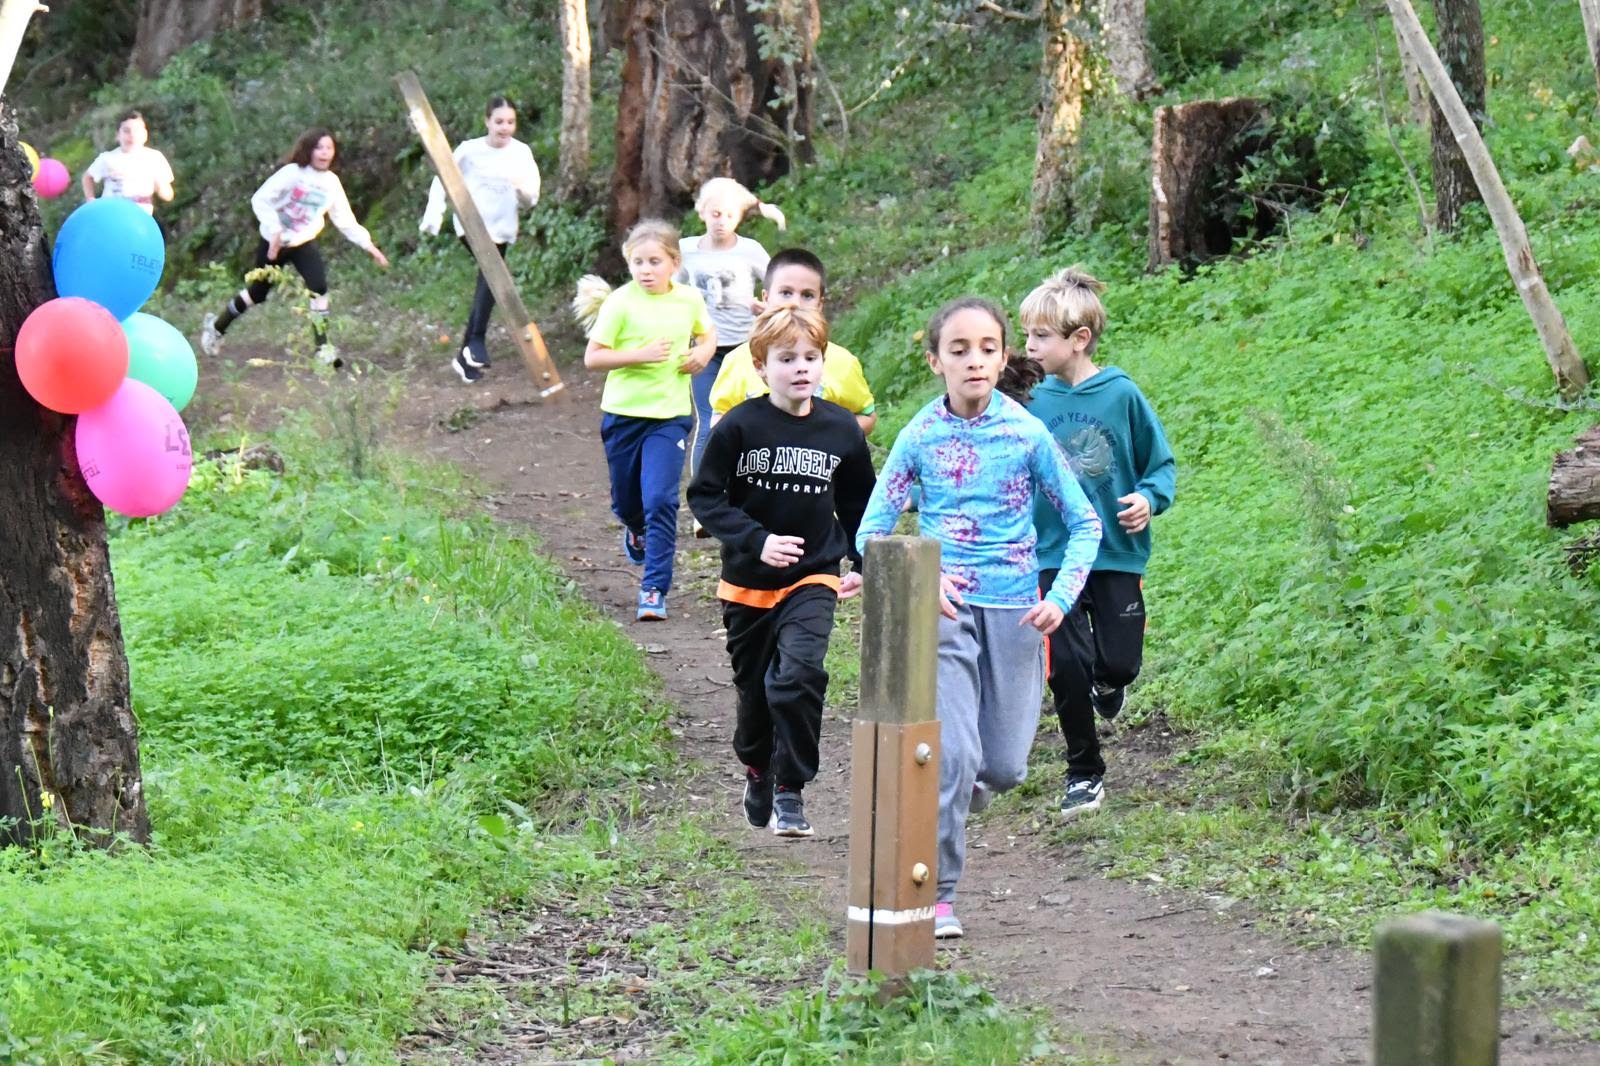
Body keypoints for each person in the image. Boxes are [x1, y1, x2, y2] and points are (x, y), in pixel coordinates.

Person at [856, 296, 1101, 941]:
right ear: (936, 360)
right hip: (946, 608)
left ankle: (927, 816)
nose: (975, 361)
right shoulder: (918, 436)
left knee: (1003, 768)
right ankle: (938, 894)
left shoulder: (1026, 433)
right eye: (959, 350)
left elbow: (1085, 522)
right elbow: (872, 531)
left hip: (1018, 612)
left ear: (1002, 356)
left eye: (988, 348)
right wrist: (924, 577)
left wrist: (1061, 596)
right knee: (957, 755)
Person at [688, 306, 875, 838]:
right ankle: (757, 768)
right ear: (760, 365)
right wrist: (758, 540)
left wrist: (861, 563)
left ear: (823, 363)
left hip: (814, 576)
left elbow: (863, 505)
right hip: (746, 582)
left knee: (797, 676)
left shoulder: (841, 430)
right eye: (786, 358)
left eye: (811, 358)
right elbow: (704, 496)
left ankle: (792, 789)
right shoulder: (740, 426)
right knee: (754, 694)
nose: (800, 368)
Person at [1020, 266, 1176, 818]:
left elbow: (1161, 466)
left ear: (1078, 339)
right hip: (1051, 553)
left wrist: (1148, 499)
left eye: (1040, 337)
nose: (1030, 346)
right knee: (1065, 663)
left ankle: (1110, 685)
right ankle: (1084, 770)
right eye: (1027, 336)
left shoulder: (1121, 394)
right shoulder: (1028, 399)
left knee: (1120, 663)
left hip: (1115, 552)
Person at [573, 219, 715, 621]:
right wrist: (640, 354)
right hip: (622, 416)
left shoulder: (688, 300)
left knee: (661, 500)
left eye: (654, 261)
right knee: (627, 501)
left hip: (668, 418)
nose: (646, 270)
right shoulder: (620, 303)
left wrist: (703, 354)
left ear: (674, 262)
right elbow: (593, 357)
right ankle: (634, 528)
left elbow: (708, 334)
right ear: (628, 263)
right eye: (638, 262)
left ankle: (653, 589)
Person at [200, 127, 390, 366]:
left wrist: (369, 246)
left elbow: (344, 219)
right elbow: (260, 199)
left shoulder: (331, 183)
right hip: (274, 243)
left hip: (303, 242)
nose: (324, 153)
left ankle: (323, 349)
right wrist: (275, 229)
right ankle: (217, 327)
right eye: (319, 147)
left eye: (329, 148)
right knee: (257, 293)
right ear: (309, 150)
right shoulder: (293, 173)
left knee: (318, 287)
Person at [419, 94, 542, 384]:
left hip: (502, 229)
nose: (504, 128)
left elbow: (531, 199)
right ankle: (476, 342)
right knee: (492, 276)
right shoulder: (470, 151)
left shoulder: (521, 153)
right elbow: (442, 178)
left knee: (489, 281)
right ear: (487, 121)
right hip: (472, 226)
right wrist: (434, 215)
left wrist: (520, 188)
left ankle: (466, 355)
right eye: (499, 121)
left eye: (510, 122)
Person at [676, 177, 786, 473]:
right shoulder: (686, 250)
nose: (722, 222)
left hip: (747, 348)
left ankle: (747, 485)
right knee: (709, 418)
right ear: (701, 212)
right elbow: (672, 294)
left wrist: (769, 307)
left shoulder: (750, 250)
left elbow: (779, 284)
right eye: (715, 214)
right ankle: (703, 498)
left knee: (751, 417)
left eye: (729, 215)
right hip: (705, 350)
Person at [707, 249, 877, 437]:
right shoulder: (738, 361)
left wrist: (829, 438)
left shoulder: (842, 362)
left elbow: (866, 416)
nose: (795, 303)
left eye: (807, 295)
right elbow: (719, 419)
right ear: (766, 298)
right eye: (786, 293)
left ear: (820, 304)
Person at [81, 110, 174, 216]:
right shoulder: (107, 158)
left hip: (140, 217)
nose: (132, 135)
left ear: (145, 134)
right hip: (110, 213)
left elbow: (168, 195)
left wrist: (160, 186)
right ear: (117, 135)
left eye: (137, 131)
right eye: (126, 131)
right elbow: (87, 177)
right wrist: (90, 199)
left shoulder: (155, 158)